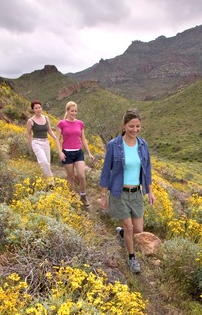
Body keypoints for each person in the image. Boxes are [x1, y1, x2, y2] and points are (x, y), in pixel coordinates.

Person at [99, 108, 155, 273]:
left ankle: (122, 233)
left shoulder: (143, 145)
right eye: (131, 126)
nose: (135, 130)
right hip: (119, 193)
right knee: (130, 228)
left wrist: (150, 192)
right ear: (124, 125)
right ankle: (132, 259)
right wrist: (103, 195)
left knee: (138, 229)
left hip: (136, 193)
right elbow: (105, 171)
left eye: (138, 126)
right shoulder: (114, 145)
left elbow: (147, 169)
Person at [55, 101, 94, 206]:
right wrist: (60, 153)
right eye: (72, 111)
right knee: (71, 177)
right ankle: (72, 196)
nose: (74, 113)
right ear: (67, 111)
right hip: (67, 153)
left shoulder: (80, 123)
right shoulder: (61, 124)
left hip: (78, 152)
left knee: (82, 176)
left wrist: (89, 153)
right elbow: (57, 139)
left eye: (76, 111)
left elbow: (83, 139)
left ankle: (83, 196)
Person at [27, 100, 57, 183]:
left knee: (47, 164)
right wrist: (31, 145)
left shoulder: (46, 118)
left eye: (39, 107)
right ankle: (51, 183)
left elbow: (49, 130)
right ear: (33, 109)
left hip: (46, 142)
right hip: (36, 143)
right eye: (36, 108)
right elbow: (28, 134)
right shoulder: (30, 121)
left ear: (41, 108)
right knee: (44, 162)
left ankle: (45, 182)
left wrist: (56, 138)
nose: (38, 109)